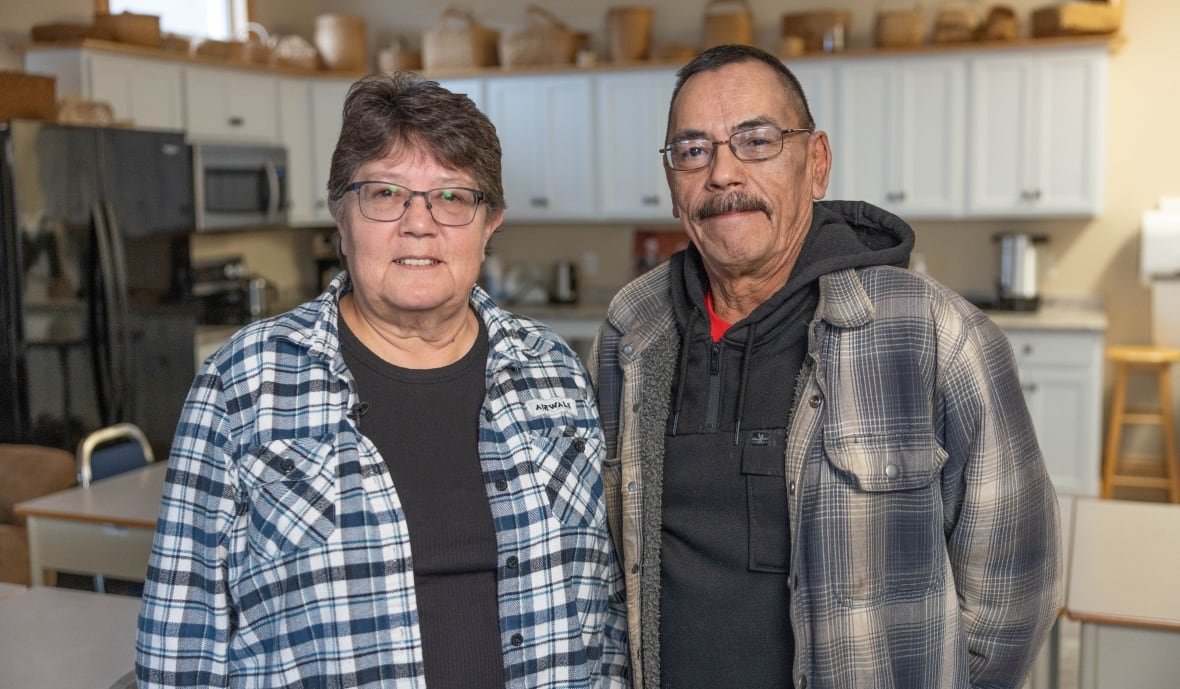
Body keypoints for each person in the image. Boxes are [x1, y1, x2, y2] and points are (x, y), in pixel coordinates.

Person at [590, 44, 1061, 689]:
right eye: (694, 150)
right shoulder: (630, 331)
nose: (723, 173)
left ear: (817, 164)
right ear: (673, 184)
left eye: (756, 141)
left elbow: (1014, 586)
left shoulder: (934, 333)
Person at [137, 72, 628, 689]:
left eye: (452, 197)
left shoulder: (554, 372)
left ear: (490, 223)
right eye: (386, 193)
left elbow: (607, 616)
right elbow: (179, 651)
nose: (419, 223)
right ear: (340, 217)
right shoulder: (242, 385)